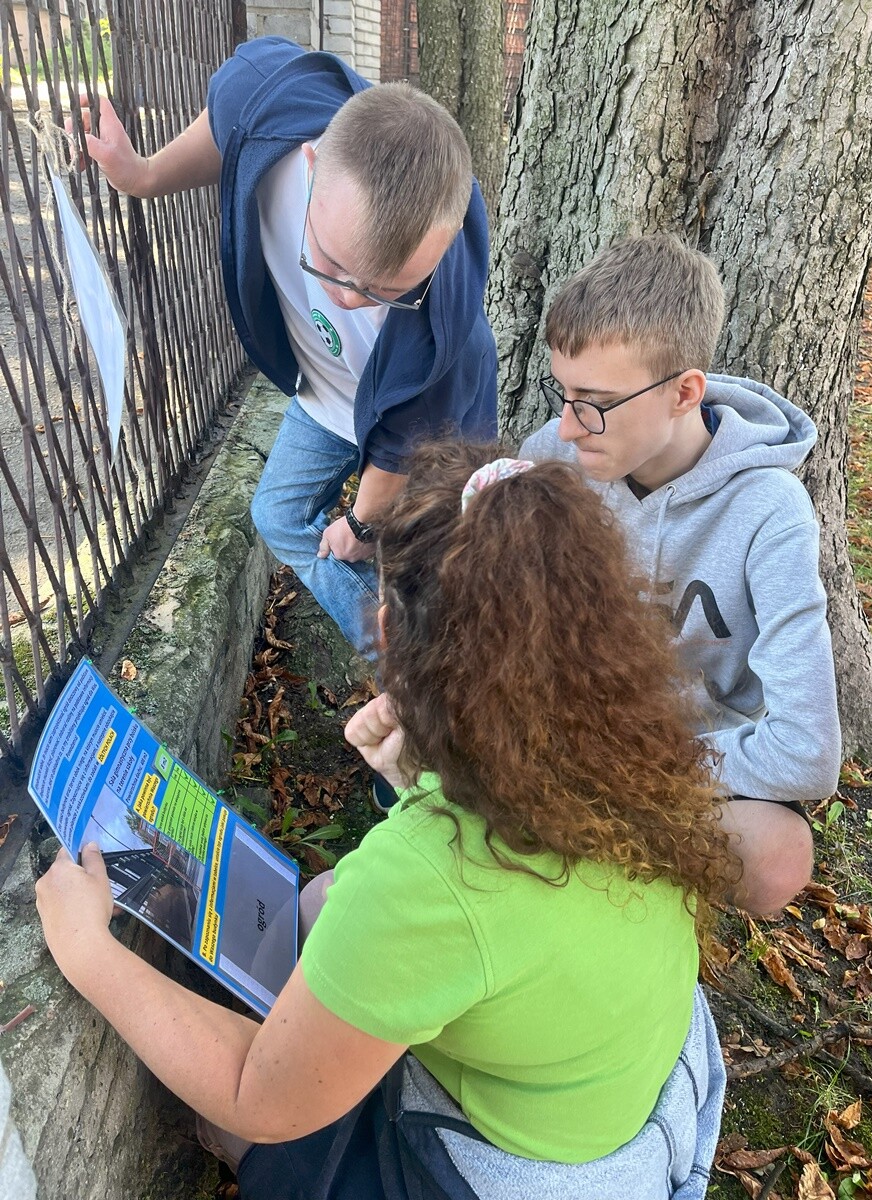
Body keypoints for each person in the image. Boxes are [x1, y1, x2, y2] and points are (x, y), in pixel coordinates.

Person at [37, 444, 738, 1200]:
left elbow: (254, 1092)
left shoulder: (429, 876)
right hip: (610, 1097)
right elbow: (506, 908)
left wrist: (87, 952)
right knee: (322, 904)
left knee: (232, 1128)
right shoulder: (623, 751)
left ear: (398, 637)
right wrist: (421, 779)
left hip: (532, 1174)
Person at [71, 36, 497, 655]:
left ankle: (432, 660)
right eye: (332, 265)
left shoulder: (449, 329)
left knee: (423, 565)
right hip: (328, 393)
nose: (350, 300)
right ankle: (400, 660)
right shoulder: (269, 95)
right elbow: (228, 129)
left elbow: (407, 447)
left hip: (421, 432)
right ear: (312, 163)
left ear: (443, 241)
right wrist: (142, 176)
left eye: (386, 291)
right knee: (277, 516)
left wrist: (358, 525)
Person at [521, 233, 842, 916]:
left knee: (778, 856)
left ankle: (590, 871)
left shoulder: (770, 511)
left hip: (690, 764)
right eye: (564, 393)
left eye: (595, 402)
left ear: (684, 392)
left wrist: (633, 772)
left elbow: (808, 752)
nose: (570, 429)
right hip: (565, 739)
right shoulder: (547, 458)